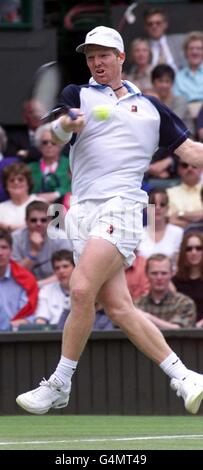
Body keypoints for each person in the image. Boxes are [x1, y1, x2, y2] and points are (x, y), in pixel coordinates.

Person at [16, 25, 203, 416]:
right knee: (118, 307)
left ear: (121, 58)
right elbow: (46, 134)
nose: (96, 62)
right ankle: (185, 376)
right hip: (83, 213)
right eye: (90, 56)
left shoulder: (152, 107)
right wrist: (66, 126)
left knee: (81, 288)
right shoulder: (75, 96)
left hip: (124, 207)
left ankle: (60, 382)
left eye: (103, 55)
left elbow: (191, 152)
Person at [135, 254, 196, 330]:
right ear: (147, 274)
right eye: (154, 273)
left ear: (171, 274)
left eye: (164, 273)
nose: (159, 278)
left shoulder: (184, 303)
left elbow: (180, 330)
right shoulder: (137, 305)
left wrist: (148, 317)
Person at [0, 228, 38, 331]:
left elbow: (31, 315)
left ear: (11, 251)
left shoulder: (26, 280)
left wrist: (26, 321)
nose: (0, 253)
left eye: (4, 247)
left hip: (17, 338)